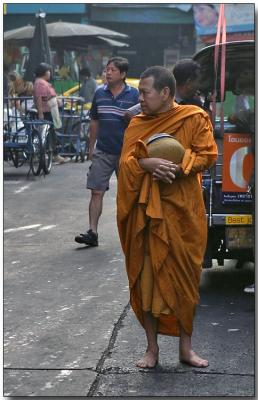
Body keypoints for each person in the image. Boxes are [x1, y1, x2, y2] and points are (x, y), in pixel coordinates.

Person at [117, 66, 218, 368]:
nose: (140, 98)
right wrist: (146, 163)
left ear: (165, 93)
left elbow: (207, 155)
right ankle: (152, 349)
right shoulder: (137, 123)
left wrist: (178, 163)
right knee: (147, 280)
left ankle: (186, 349)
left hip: (184, 212)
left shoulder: (194, 118)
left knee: (186, 280)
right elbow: (126, 164)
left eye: (145, 92)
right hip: (148, 215)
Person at [74, 57, 139, 246]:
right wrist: (91, 147)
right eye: (106, 69)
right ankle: (92, 232)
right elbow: (95, 121)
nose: (107, 73)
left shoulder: (134, 95)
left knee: (128, 194)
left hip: (127, 152)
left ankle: (133, 232)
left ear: (123, 74)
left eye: (112, 70)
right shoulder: (99, 94)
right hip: (103, 149)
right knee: (96, 191)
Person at [33, 62, 67, 164]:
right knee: (49, 134)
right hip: (45, 112)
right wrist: (40, 113)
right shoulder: (40, 83)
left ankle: (54, 154)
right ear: (44, 72)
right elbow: (39, 98)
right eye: (48, 71)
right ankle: (55, 155)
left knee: (51, 133)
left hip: (48, 111)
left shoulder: (42, 82)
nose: (50, 73)